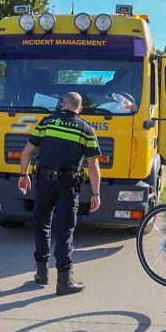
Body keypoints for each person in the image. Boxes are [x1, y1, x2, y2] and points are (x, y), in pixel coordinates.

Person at [18, 92, 102, 295]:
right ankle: (64, 281)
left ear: (63, 104)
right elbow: (93, 165)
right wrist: (96, 193)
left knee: (42, 225)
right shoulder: (86, 130)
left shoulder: (46, 123)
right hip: (68, 184)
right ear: (80, 109)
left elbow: (27, 152)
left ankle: (41, 274)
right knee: (65, 230)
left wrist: (23, 175)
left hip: (44, 182)